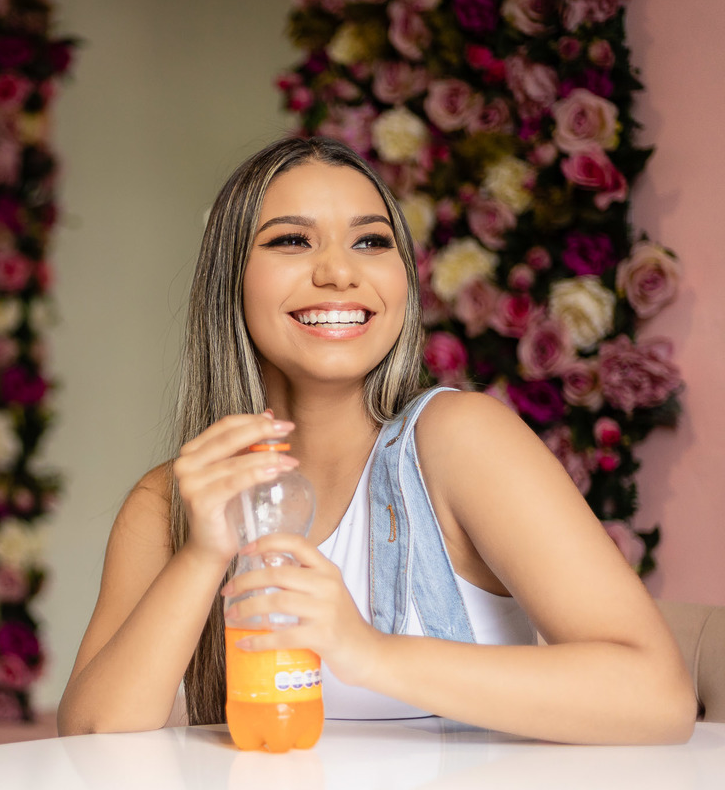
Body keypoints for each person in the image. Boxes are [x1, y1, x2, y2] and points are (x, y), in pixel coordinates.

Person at [57, 136, 696, 744]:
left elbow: (657, 696)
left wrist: (366, 651)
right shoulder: (172, 501)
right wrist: (202, 555)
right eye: (292, 241)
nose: (339, 272)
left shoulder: (461, 441)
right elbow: (90, 739)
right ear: (232, 281)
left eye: (370, 241)